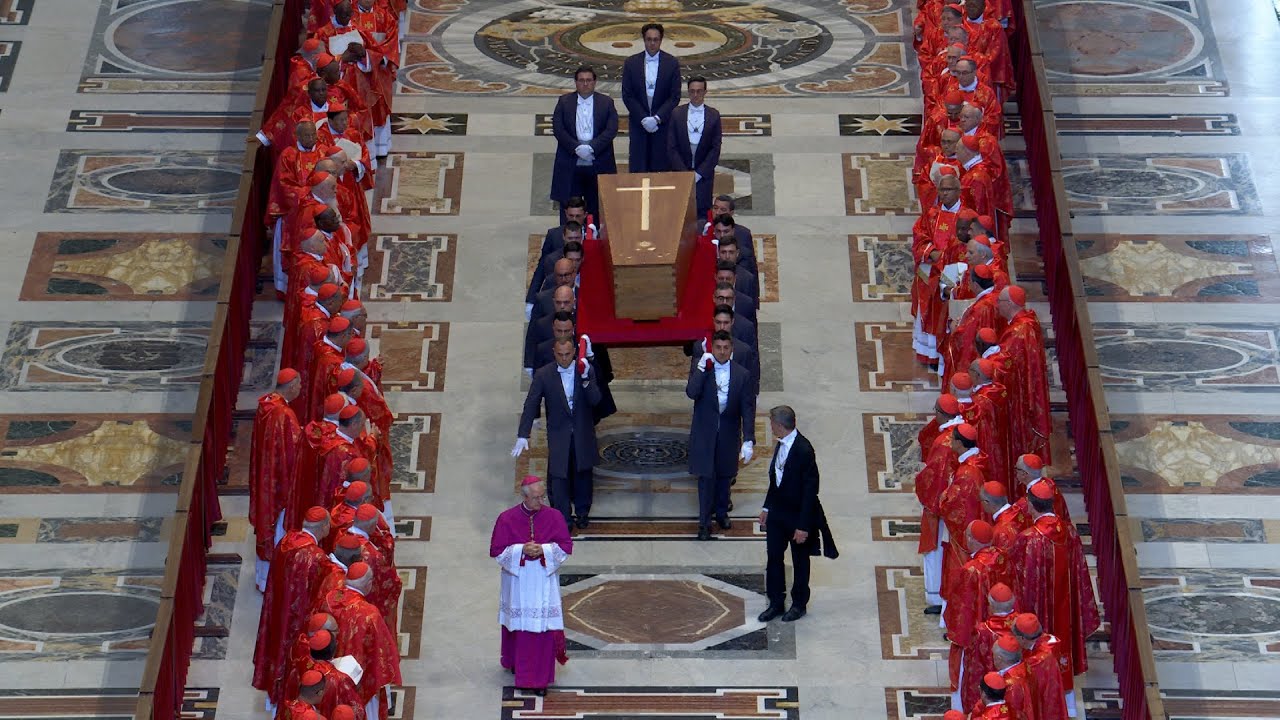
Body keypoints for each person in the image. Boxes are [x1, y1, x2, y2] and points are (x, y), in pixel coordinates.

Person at [1010, 482, 1100, 687]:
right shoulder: (1070, 532)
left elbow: (1018, 581)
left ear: (1031, 506)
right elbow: (1081, 575)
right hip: (1065, 611)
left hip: (1037, 612)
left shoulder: (1028, 539)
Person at [489, 476, 573, 696]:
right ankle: (516, 662)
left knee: (541, 630)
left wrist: (543, 550)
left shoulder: (554, 516)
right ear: (524, 496)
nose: (540, 501)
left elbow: (565, 545)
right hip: (518, 581)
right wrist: (521, 550)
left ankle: (538, 680)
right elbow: (497, 551)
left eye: (542, 496)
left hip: (543, 580)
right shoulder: (507, 518)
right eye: (535, 498)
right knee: (518, 626)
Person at [513, 338, 602, 529]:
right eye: (560, 354)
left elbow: (595, 400)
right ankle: (563, 519)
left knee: (583, 474)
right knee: (559, 477)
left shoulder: (586, 370)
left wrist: (586, 380)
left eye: (568, 354)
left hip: (582, 433)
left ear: (575, 352)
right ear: (554, 352)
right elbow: (531, 404)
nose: (564, 358)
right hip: (558, 435)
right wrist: (523, 434)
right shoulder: (544, 375)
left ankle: (582, 512)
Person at [758, 405, 836, 623]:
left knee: (800, 561)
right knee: (773, 557)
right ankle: (776, 602)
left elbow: (811, 492)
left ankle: (799, 604)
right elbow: (776, 480)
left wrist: (803, 526)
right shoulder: (781, 445)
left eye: (772, 423)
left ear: (780, 425)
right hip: (777, 515)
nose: (770, 427)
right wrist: (766, 508)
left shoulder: (804, 450)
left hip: (798, 517)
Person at [686, 331, 756, 540]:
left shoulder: (742, 374)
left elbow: (747, 409)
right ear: (712, 348)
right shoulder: (702, 368)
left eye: (726, 348)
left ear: (731, 348)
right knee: (706, 478)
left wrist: (749, 439)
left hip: (728, 433)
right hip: (705, 434)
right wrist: (700, 369)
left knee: (725, 477)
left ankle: (722, 513)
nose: (722, 352)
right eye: (718, 347)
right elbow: (691, 392)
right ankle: (704, 523)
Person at [324, 562, 402, 720]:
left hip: (330, 674)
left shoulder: (330, 598)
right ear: (368, 584)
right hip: (360, 678)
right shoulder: (369, 613)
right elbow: (382, 650)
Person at [251, 369, 305, 591]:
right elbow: (293, 451)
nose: (301, 389)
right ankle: (273, 580)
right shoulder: (284, 415)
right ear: (291, 386)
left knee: (267, 521)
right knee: (279, 526)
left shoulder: (266, 405)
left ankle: (262, 578)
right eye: (299, 385)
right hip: (278, 482)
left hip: (266, 474)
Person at [550, 66, 618, 219]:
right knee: (569, 206)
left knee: (596, 208)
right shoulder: (564, 102)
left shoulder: (606, 102)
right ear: (576, 82)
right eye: (581, 80)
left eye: (588, 80)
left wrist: (592, 148)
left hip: (598, 162)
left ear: (595, 82)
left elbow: (611, 129)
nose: (585, 84)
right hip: (570, 162)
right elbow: (558, 128)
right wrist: (576, 148)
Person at [620, 23, 681, 173]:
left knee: (661, 167)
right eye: (649, 39)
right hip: (638, 124)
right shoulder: (631, 63)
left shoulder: (672, 63)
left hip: (662, 125)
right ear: (643, 39)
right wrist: (643, 118)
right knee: (638, 166)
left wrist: (657, 118)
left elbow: (674, 96)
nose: (652, 43)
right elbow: (628, 95)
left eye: (656, 39)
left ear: (661, 40)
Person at [667, 75, 721, 217]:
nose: (695, 95)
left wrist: (700, 173)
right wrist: (684, 172)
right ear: (688, 92)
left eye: (699, 91)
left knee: (702, 210)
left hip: (703, 173)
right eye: (692, 91)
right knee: (679, 210)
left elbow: (715, 148)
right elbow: (671, 146)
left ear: (705, 92)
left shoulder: (714, 115)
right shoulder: (677, 113)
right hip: (680, 171)